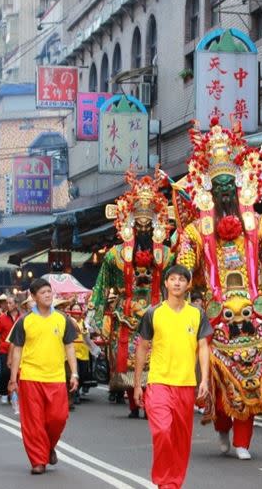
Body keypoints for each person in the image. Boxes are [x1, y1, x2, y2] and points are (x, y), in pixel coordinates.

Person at [175, 117, 262, 460]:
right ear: (207, 190)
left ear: (239, 187)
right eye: (216, 186)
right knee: (221, 382)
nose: (223, 193)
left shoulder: (260, 224)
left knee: (252, 380)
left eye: (228, 186)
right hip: (217, 320)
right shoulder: (195, 231)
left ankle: (242, 442)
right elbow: (183, 273)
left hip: (254, 316)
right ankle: (222, 425)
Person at [88, 169, 174, 419]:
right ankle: (133, 400)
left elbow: (177, 284)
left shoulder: (167, 255)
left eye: (148, 222)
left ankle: (151, 400)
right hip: (126, 315)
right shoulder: (115, 255)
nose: (143, 226)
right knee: (125, 358)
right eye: (138, 222)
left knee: (154, 357)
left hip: (158, 311)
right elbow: (102, 285)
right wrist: (95, 313)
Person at [133, 264, 212, 489]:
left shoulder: (197, 314)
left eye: (182, 279)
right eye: (173, 279)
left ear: (188, 285)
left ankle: (173, 483)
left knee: (181, 439)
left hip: (185, 384)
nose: (177, 283)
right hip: (158, 383)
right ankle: (162, 479)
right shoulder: (153, 313)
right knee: (162, 431)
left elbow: (203, 347)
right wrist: (138, 384)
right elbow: (142, 348)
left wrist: (204, 379)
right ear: (165, 283)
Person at [8, 278, 78, 475]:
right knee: (34, 422)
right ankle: (38, 460)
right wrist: (13, 379)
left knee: (58, 418)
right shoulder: (24, 321)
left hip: (56, 377)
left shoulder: (63, 319)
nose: (48, 295)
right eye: (43, 292)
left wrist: (74, 373)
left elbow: (70, 347)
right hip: (30, 376)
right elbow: (17, 351)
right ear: (33, 297)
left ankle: (48, 447)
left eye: (49, 291)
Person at [0, 293, 18, 405]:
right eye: (7, 303)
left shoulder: (22, 317)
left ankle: (14, 394)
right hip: (4, 350)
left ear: (16, 304)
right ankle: (3, 392)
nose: (8, 305)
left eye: (10, 303)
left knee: (16, 372)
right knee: (5, 372)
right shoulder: (2, 318)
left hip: (18, 350)